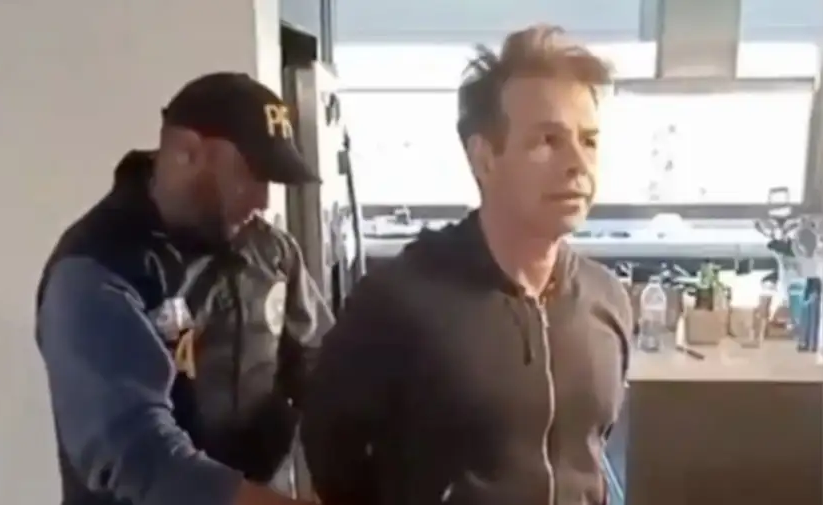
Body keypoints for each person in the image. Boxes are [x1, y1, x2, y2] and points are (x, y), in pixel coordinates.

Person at [301, 25, 633, 505]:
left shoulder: (606, 299)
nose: (578, 163)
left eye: (589, 140)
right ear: (484, 158)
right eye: (548, 140)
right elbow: (331, 453)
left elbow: (594, 451)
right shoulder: (397, 302)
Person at [36, 72, 324, 505]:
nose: (263, 201)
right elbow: (139, 454)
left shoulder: (272, 251)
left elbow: (321, 370)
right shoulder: (96, 268)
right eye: (249, 175)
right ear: (187, 152)